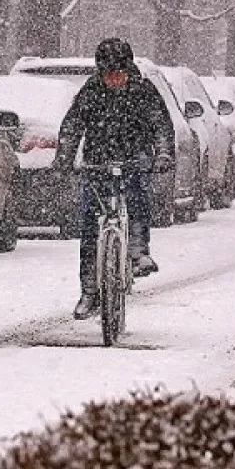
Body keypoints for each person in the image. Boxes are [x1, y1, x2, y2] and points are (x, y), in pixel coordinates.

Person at [52, 38, 176, 320]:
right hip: (98, 161)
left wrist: (163, 155)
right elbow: (72, 126)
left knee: (137, 194)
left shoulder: (144, 91)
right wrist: (64, 159)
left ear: (128, 69)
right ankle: (89, 290)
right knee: (88, 224)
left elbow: (161, 126)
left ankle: (138, 250)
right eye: (108, 74)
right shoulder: (90, 92)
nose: (114, 80)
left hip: (135, 158)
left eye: (119, 73)